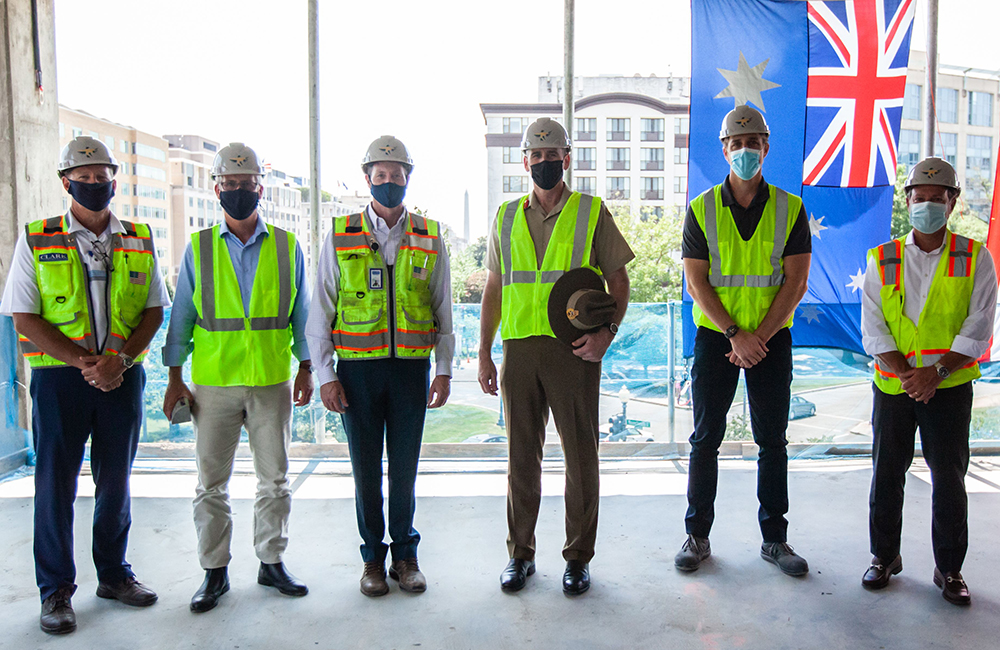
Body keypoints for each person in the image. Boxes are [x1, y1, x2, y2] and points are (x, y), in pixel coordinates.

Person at [0, 136, 168, 634]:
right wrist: (83, 362)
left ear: (115, 181)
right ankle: (55, 591)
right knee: (56, 484)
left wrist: (119, 360)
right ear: (65, 181)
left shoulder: (138, 236)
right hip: (60, 382)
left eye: (102, 177)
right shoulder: (38, 237)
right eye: (84, 177)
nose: (95, 184)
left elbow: (154, 309)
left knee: (115, 482)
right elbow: (23, 316)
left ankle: (114, 576)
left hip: (123, 376)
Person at [478, 117, 633, 595]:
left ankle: (577, 558)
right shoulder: (505, 216)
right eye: (536, 155)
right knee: (520, 458)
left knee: (580, 458)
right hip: (520, 352)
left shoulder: (590, 211)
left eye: (553, 155)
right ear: (524, 160)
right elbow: (494, 287)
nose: (544, 163)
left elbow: (619, 280)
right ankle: (519, 555)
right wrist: (484, 352)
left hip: (575, 351)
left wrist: (607, 333)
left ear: (568, 158)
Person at [162, 143, 313, 613]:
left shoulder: (287, 246)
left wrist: (307, 367)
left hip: (271, 381)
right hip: (213, 384)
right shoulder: (200, 247)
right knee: (211, 484)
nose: (238, 191)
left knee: (275, 481)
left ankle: (271, 563)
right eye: (229, 185)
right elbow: (182, 317)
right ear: (216, 189)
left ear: (260, 189)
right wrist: (174, 377)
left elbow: (302, 316)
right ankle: (214, 572)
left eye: (246, 185)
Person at [306, 135, 453, 597]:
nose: (389, 181)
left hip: (411, 370)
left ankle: (405, 556)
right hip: (357, 372)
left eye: (397, 174)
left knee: (405, 468)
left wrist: (444, 369)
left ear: (408, 177)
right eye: (381, 174)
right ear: (367, 176)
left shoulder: (429, 235)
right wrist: (325, 375)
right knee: (365, 469)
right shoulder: (342, 234)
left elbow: (443, 309)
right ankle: (372, 558)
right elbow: (319, 314)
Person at [677, 105, 811, 576]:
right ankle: (697, 536)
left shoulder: (790, 208)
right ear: (724, 149)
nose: (745, 151)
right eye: (737, 144)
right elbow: (697, 283)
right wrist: (737, 334)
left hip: (771, 340)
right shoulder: (702, 209)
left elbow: (795, 283)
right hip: (718, 339)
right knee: (705, 440)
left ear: (766, 148)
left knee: (772, 441)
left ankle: (775, 540)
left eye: (753, 143)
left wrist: (760, 338)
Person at [860, 157, 996, 606]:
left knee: (950, 480)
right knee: (886, 476)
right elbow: (874, 328)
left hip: (949, 388)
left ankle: (950, 569)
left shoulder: (976, 257)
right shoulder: (882, 258)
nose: (928, 205)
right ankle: (884, 557)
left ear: (952, 203)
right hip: (894, 389)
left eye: (938, 199)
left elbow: (978, 327)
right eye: (921, 198)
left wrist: (935, 373)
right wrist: (909, 375)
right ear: (908, 200)